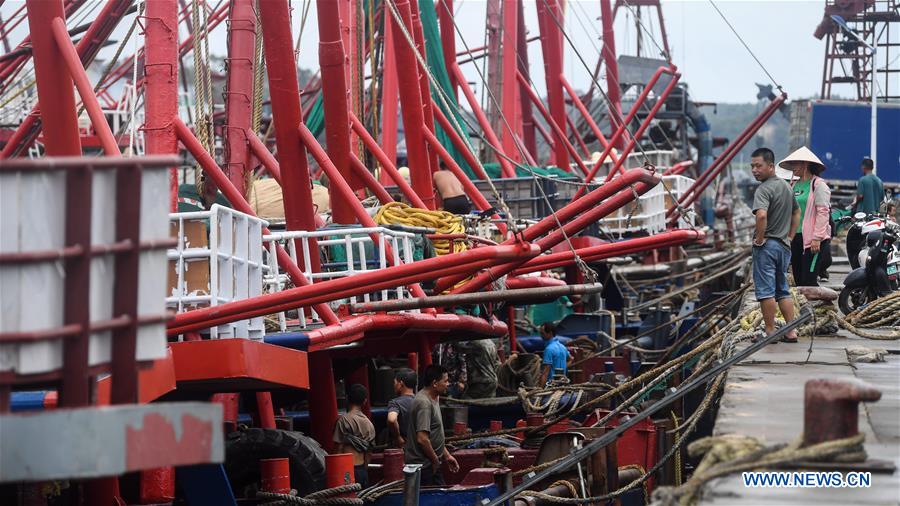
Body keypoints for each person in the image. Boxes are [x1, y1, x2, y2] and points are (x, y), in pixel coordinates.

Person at [750, 148, 800, 343]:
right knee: (783, 290)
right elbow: (796, 212)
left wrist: (760, 239)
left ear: (771, 166)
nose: (754, 170)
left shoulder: (763, 189)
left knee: (766, 292)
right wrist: (790, 236)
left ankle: (770, 332)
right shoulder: (786, 187)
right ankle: (791, 331)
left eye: (759, 166)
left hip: (768, 246)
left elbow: (761, 216)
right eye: (752, 166)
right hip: (783, 246)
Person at [779, 147, 832, 286]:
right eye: (791, 164)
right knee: (798, 280)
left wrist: (817, 238)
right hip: (795, 237)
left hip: (812, 240)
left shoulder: (818, 185)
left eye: (795, 163)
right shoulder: (793, 185)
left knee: (809, 280)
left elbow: (823, 212)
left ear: (805, 164)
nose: (792, 167)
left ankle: (814, 301)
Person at [404, 364, 459, 485]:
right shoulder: (424, 403)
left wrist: (446, 455)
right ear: (434, 383)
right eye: (445, 381)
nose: (448, 384)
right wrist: (435, 461)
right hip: (424, 467)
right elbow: (422, 439)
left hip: (431, 462)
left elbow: (434, 433)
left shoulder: (434, 398)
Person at [332, 384, 376, 488]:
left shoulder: (343, 421)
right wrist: (364, 471)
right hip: (362, 470)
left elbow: (338, 449)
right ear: (365, 401)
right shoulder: (369, 424)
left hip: (346, 471)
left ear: (347, 398)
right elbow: (369, 453)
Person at [386, 368, 417, 448]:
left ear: (401, 383)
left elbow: (392, 419)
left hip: (403, 446)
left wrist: (397, 437)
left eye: (395, 382)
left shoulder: (395, 403)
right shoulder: (421, 401)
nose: (394, 385)